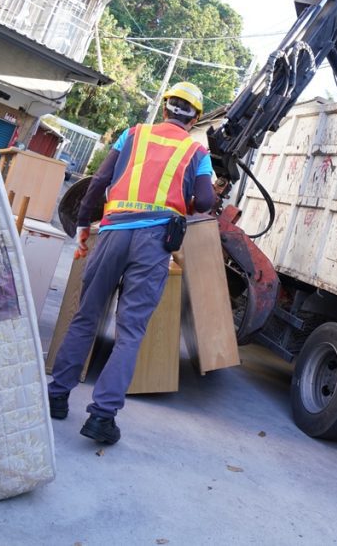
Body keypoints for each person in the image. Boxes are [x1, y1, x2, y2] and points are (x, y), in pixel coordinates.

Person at [48, 81, 216, 444]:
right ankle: (101, 417)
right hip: (154, 243)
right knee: (130, 332)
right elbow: (204, 202)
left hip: (113, 232)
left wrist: (82, 225)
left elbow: (99, 183)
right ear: (195, 118)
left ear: (166, 109)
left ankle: (57, 395)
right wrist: (181, 200)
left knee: (86, 316)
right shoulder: (196, 152)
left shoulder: (133, 134)